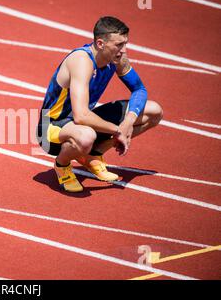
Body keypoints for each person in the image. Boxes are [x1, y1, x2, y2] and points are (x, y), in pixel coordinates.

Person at [36, 16, 163, 193]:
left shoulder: (116, 58)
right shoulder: (82, 61)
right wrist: (118, 130)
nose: (123, 50)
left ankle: (92, 155)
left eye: (125, 43)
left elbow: (139, 90)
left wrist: (127, 122)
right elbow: (81, 116)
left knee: (154, 111)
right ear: (101, 43)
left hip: (81, 121)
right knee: (86, 136)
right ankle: (62, 164)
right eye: (119, 44)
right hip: (51, 126)